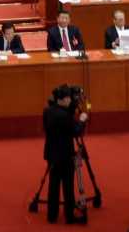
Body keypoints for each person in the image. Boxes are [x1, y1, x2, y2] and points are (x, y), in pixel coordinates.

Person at [41, 85, 88, 224]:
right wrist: (82, 119)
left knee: (53, 185)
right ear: (62, 100)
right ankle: (69, 216)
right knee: (68, 186)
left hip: (51, 153)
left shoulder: (48, 111)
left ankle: (52, 215)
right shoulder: (65, 116)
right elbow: (76, 131)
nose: (69, 100)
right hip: (65, 155)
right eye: (68, 98)